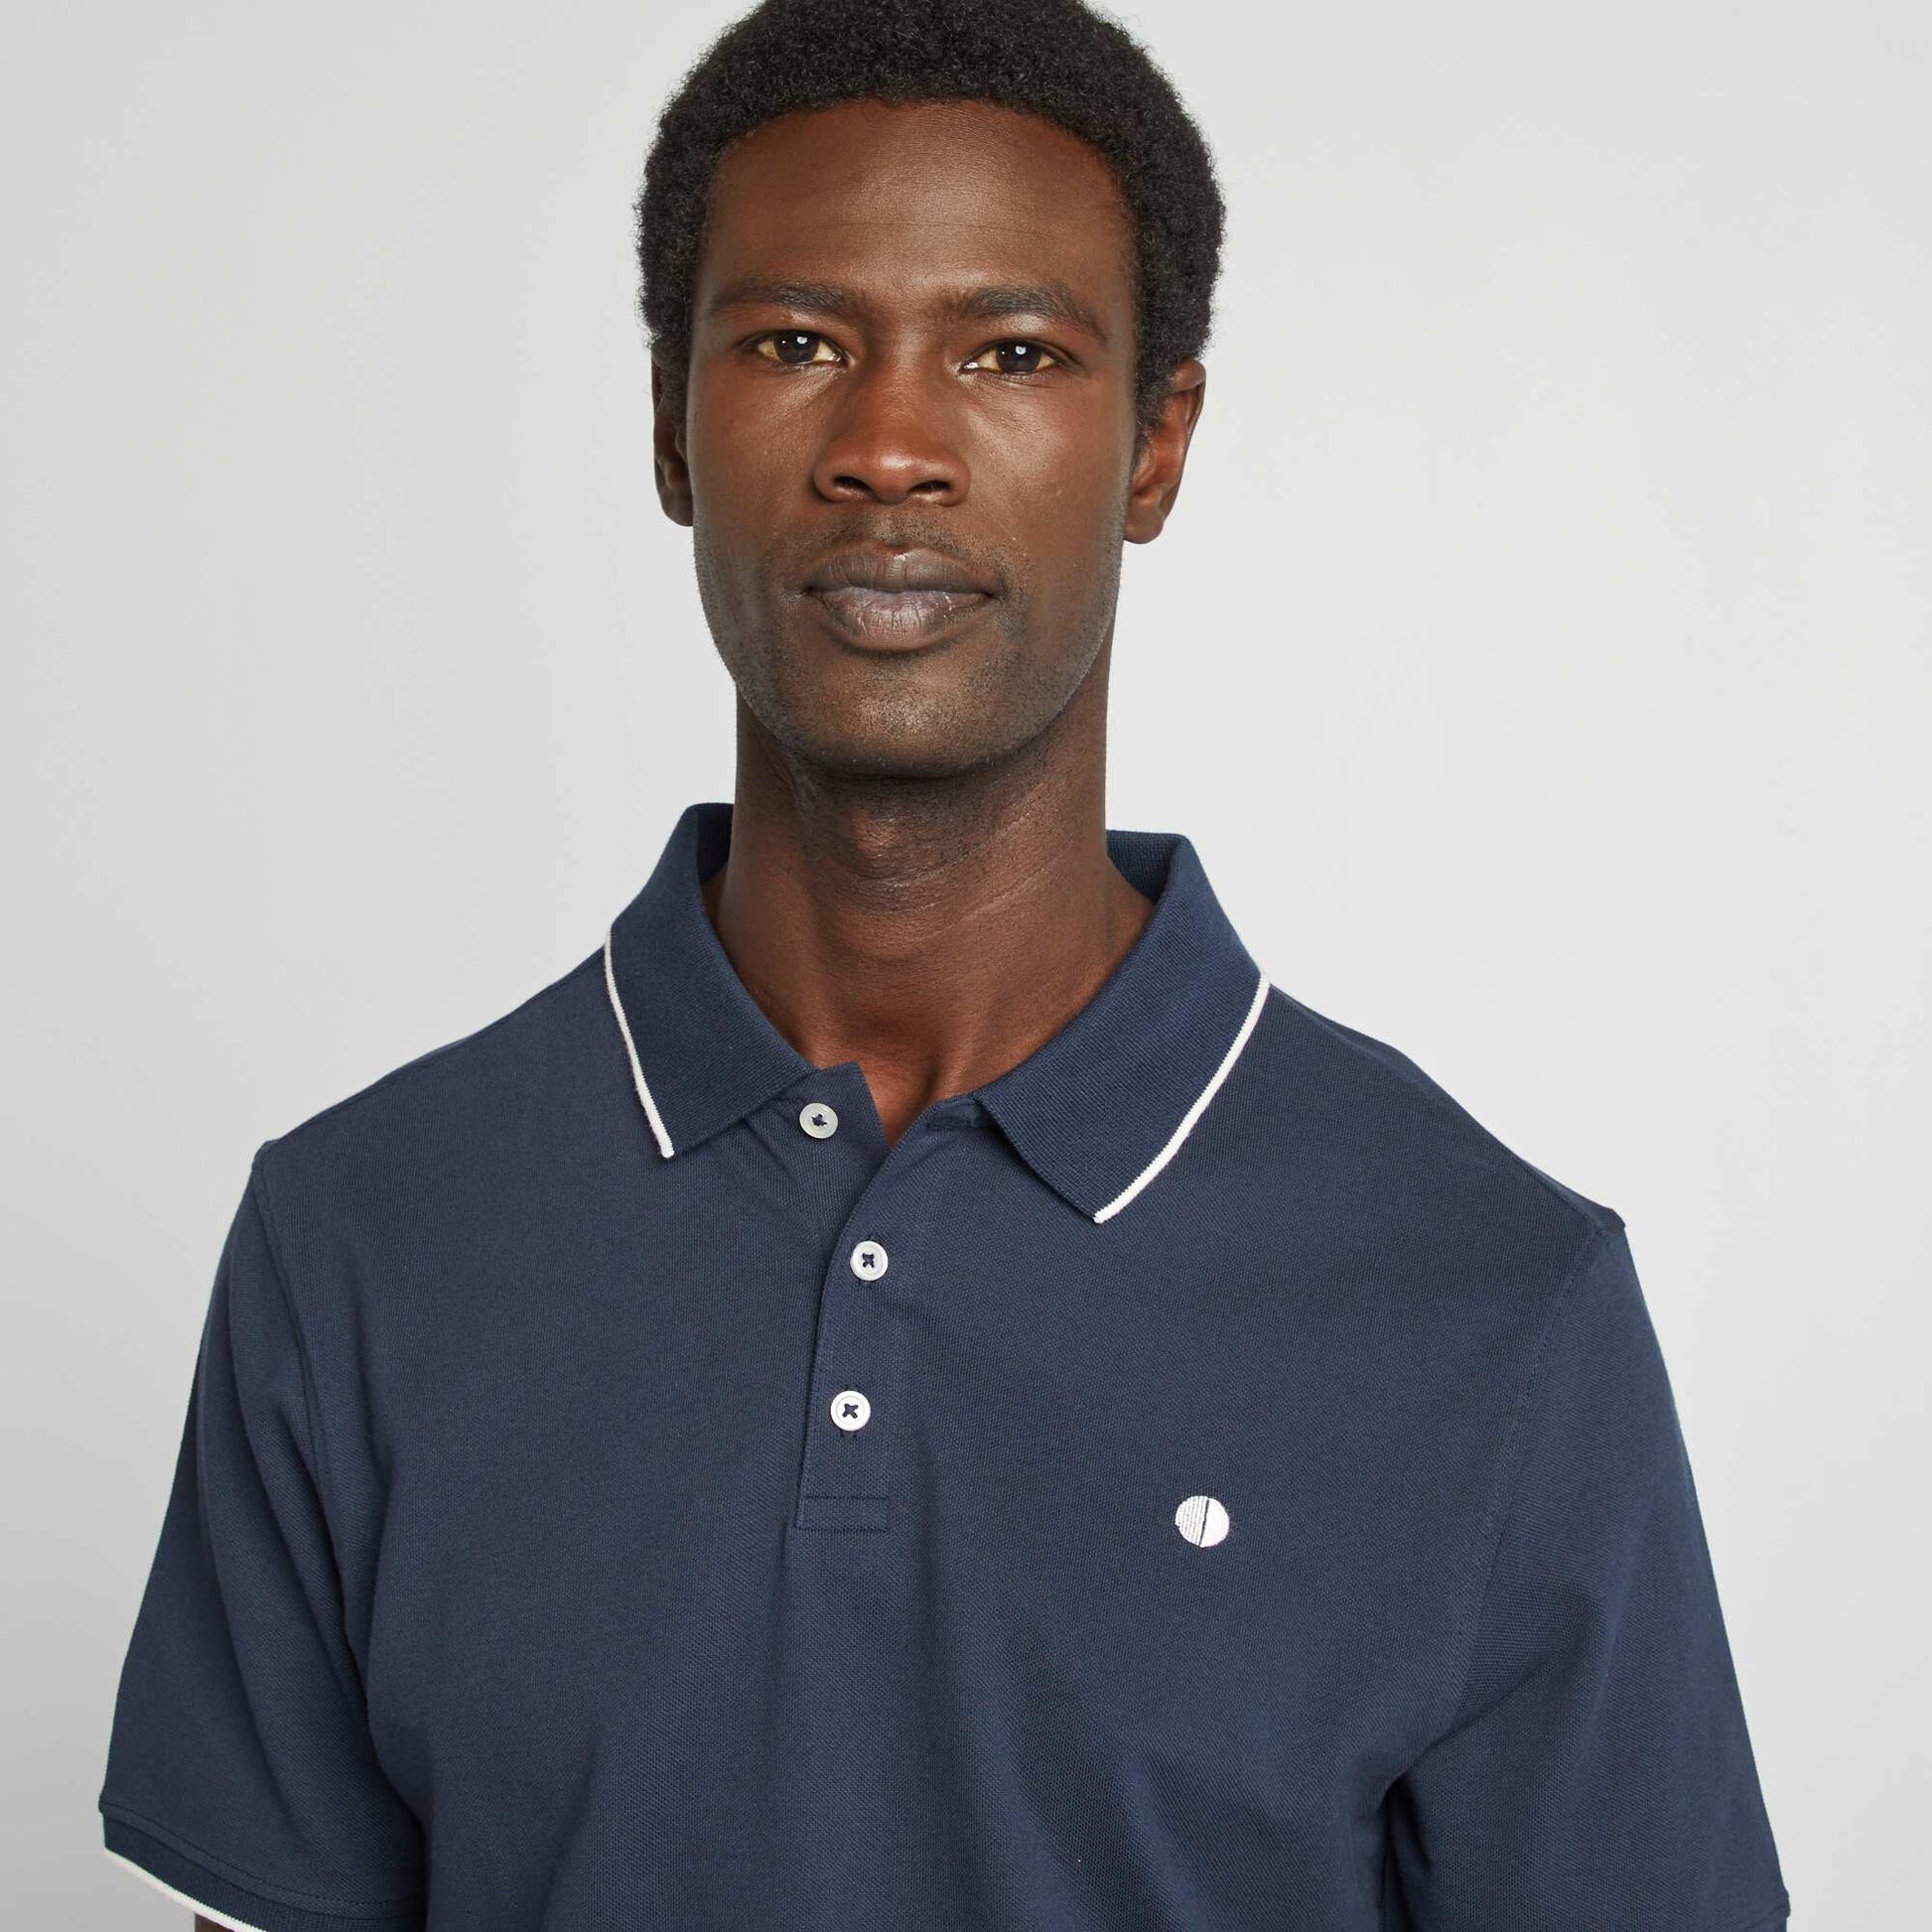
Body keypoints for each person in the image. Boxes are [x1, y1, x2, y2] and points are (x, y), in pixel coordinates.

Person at [97, 1, 1791, 1926]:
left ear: (1155, 444)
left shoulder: (1489, 1296)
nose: (889, 446)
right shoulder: (361, 1238)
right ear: (669, 425)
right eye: (795, 343)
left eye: (1011, 353)